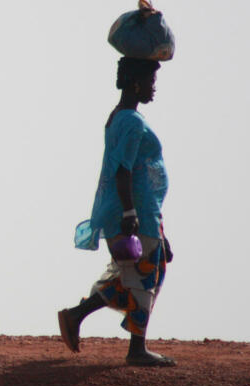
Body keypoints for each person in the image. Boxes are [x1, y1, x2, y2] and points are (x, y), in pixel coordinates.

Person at [58, 56, 174, 366]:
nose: (153, 88)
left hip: (142, 212)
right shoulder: (132, 122)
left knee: (130, 274)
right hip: (136, 212)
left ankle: (75, 315)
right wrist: (129, 214)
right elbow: (123, 170)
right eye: (150, 82)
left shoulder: (119, 117)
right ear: (136, 82)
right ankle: (137, 348)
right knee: (145, 277)